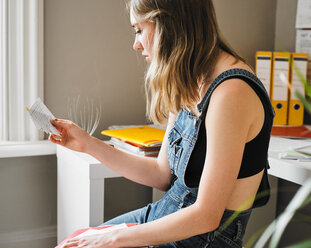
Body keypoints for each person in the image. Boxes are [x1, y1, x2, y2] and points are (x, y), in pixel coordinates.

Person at [50, 0, 275, 247]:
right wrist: (87, 144)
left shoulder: (232, 93)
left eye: (139, 30)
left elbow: (206, 217)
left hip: (203, 238)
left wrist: (112, 238)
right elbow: (161, 175)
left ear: (169, 25)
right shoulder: (189, 78)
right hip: (168, 213)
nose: (135, 44)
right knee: (73, 242)